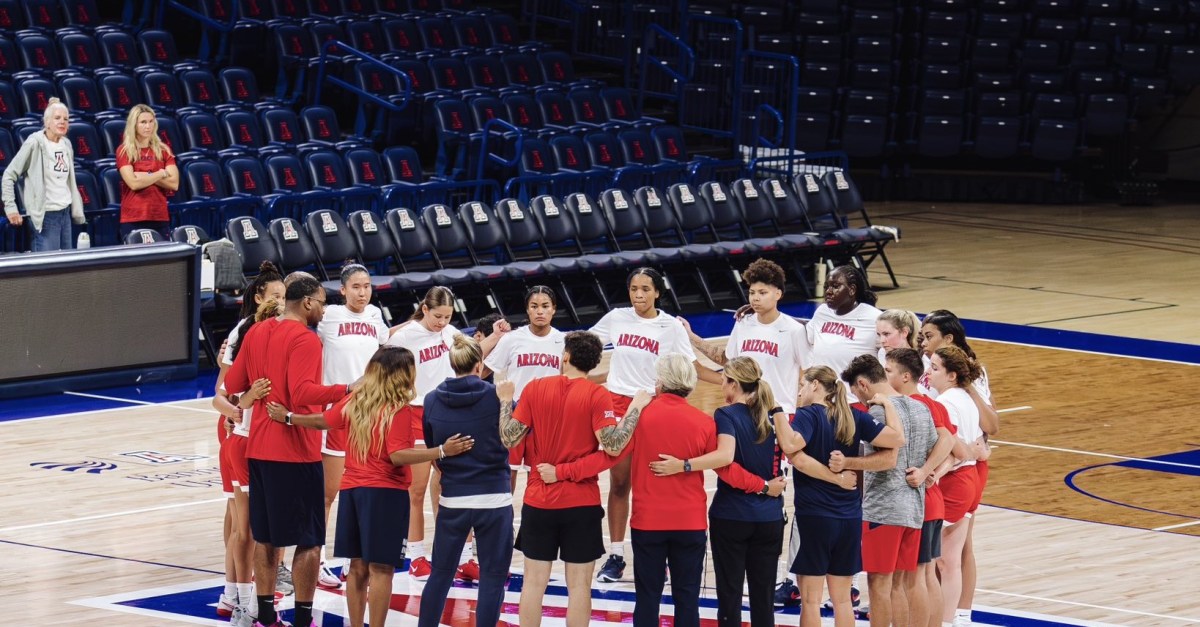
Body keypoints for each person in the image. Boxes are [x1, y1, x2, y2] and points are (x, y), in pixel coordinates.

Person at [264, 346, 473, 627]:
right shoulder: (398, 409)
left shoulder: (356, 400)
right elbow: (397, 455)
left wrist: (288, 418)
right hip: (385, 495)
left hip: (352, 493)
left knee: (357, 568)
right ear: (403, 374)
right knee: (382, 570)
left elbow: (323, 421)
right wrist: (442, 451)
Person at [224, 274, 352, 627]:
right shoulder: (306, 339)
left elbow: (233, 384)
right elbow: (303, 393)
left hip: (258, 449)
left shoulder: (257, 331)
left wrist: (257, 390)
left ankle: (266, 617)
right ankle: (303, 619)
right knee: (309, 541)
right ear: (307, 302)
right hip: (295, 452)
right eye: (322, 303)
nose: (324, 310)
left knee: (266, 539)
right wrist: (346, 389)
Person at [588, 267, 720, 582]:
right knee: (620, 482)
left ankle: (659, 555)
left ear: (658, 292)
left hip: (654, 405)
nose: (639, 295)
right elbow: (584, 346)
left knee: (654, 481)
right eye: (634, 289)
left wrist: (731, 382)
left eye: (646, 289)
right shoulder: (616, 318)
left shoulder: (670, 326)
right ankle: (616, 555)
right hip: (618, 404)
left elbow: (692, 367)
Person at [497, 331, 638, 627]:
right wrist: (635, 407)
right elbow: (613, 446)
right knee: (579, 587)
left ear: (566, 356)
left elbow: (509, 438)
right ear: (595, 362)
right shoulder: (598, 395)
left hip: (539, 501)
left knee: (533, 584)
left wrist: (506, 401)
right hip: (580, 504)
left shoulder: (535, 388)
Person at [773, 365, 904, 627]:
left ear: (815, 385)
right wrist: (889, 406)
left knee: (810, 601)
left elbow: (792, 448)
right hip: (849, 518)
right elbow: (897, 439)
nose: (799, 392)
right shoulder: (854, 416)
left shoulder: (808, 415)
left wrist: (777, 412)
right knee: (843, 601)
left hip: (814, 517)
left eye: (802, 385)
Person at [666, 357, 789, 627]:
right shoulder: (775, 416)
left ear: (734, 384)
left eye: (723, 380)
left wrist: (684, 465)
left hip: (732, 516)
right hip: (770, 518)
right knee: (764, 599)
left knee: (730, 596)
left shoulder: (726, 414)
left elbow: (724, 459)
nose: (721, 386)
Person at [835, 355, 938, 627]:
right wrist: (926, 471)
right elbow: (936, 446)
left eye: (857, 392)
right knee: (899, 584)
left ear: (863, 384)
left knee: (879, 585)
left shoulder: (878, 413)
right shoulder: (921, 408)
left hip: (884, 509)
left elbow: (886, 459)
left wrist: (848, 463)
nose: (859, 398)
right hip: (914, 509)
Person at [417, 335, 512, 627]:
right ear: (479, 364)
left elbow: (434, 451)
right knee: (493, 577)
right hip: (494, 499)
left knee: (440, 575)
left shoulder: (431, 399)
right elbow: (511, 438)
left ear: (453, 364)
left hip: (453, 499)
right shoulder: (498, 396)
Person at [212, 264, 285, 623]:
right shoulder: (245, 331)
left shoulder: (273, 332)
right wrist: (237, 410)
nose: (282, 303)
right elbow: (221, 394)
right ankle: (243, 594)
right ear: (259, 298)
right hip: (241, 431)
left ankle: (234, 594)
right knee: (244, 523)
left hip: (246, 429)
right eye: (276, 297)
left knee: (242, 520)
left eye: (285, 297)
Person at [918, 310, 999, 627]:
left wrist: (969, 450)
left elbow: (990, 425)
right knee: (946, 552)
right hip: (957, 462)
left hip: (961, 465)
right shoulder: (928, 368)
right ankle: (945, 613)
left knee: (954, 549)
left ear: (948, 339)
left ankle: (958, 613)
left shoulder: (966, 379)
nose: (922, 342)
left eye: (928, 336)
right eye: (921, 335)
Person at [314, 263, 389, 588]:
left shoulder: (375, 315)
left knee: (362, 489)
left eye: (367, 286)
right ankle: (316, 560)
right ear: (342, 290)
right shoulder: (329, 316)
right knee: (327, 494)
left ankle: (352, 561)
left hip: (369, 413)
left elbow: (388, 344)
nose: (362, 292)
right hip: (337, 410)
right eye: (356, 287)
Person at [383, 286, 462, 580]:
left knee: (452, 486)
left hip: (447, 413)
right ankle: (416, 555)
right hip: (415, 412)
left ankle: (460, 555)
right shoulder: (404, 337)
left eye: (447, 317)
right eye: (437, 316)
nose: (442, 322)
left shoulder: (453, 334)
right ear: (425, 309)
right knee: (416, 489)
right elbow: (384, 372)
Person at [884, 347, 967, 627]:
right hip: (931, 499)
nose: (884, 376)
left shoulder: (909, 407)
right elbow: (958, 452)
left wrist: (924, 471)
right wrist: (934, 471)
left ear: (906, 376)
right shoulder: (934, 405)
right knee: (927, 574)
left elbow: (952, 445)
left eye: (888, 371)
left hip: (915, 502)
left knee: (909, 578)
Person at [484, 285, 565, 492]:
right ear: (527, 309)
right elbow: (485, 370)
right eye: (534, 306)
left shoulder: (563, 341)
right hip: (515, 412)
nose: (540, 311)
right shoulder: (512, 339)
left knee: (538, 473)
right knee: (507, 472)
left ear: (554, 309)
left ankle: (534, 512)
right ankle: (505, 513)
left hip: (547, 415)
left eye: (545, 306)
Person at [926, 345, 985, 627]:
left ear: (951, 375)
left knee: (932, 560)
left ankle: (936, 619)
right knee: (950, 560)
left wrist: (933, 473)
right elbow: (974, 445)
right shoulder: (966, 397)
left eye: (935, 368)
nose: (928, 372)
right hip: (971, 479)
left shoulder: (946, 402)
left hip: (955, 481)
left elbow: (954, 450)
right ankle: (948, 620)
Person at [1, 97, 85, 251]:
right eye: (57, 118)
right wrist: (11, 208)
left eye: (66, 119)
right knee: (49, 264)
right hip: (45, 215)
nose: (62, 122)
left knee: (67, 263)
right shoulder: (34, 143)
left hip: (65, 213)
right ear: (47, 122)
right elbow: (9, 175)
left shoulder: (66, 144)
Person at [116, 103, 178, 239]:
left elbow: (174, 183)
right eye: (143, 122)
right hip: (133, 217)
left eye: (151, 121)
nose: (148, 126)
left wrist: (145, 176)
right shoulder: (124, 150)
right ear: (134, 125)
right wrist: (161, 173)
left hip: (159, 216)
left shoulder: (163, 149)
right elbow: (134, 183)